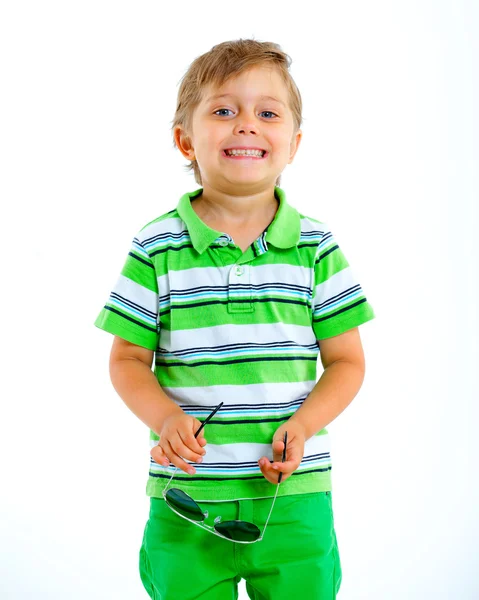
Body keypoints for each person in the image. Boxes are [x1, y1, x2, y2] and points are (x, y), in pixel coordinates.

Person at [94, 38, 375, 600]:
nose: (246, 125)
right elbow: (127, 359)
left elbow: (346, 362)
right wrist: (166, 417)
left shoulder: (317, 248)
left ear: (293, 144)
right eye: (223, 110)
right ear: (185, 140)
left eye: (266, 113)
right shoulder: (156, 247)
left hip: (292, 497)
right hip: (187, 499)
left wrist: (304, 425)